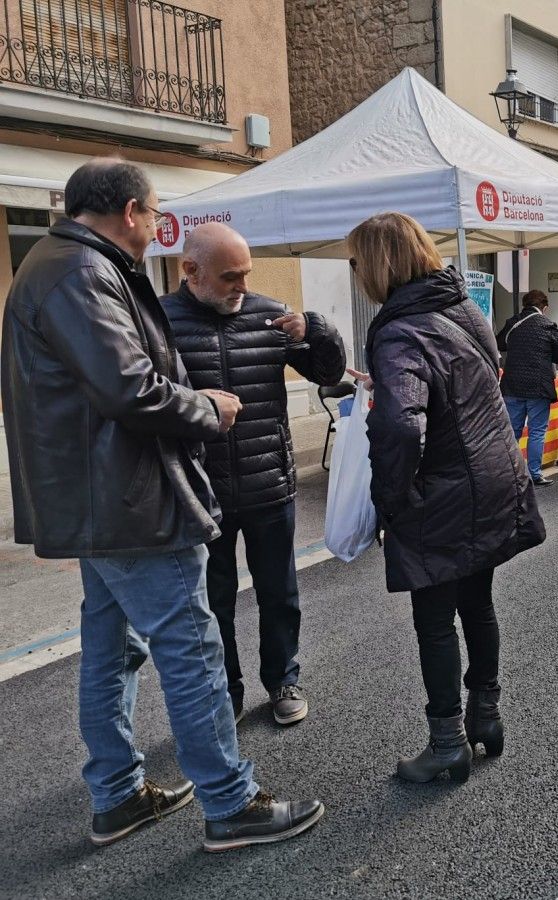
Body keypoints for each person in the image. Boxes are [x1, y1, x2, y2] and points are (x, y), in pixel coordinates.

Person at [0, 158, 322, 851]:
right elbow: (129, 389)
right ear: (129, 212)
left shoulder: (60, 265)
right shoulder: (83, 273)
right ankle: (229, 802)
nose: (155, 228)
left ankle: (117, 795)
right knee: (190, 646)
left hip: (98, 498)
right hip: (126, 498)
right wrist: (205, 406)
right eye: (153, 215)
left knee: (112, 647)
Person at [350, 212, 546, 782]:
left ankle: (446, 744)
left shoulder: (397, 329)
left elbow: (402, 429)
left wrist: (392, 497)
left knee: (434, 620)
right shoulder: (462, 308)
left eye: (358, 260)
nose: (357, 271)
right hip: (493, 473)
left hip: (440, 489)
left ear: (380, 263)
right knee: (477, 603)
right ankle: (486, 715)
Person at [161, 223, 346, 727]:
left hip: (270, 484)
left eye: (246, 274)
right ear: (190, 271)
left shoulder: (271, 315)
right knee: (211, 602)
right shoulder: (159, 320)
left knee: (279, 592)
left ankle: (283, 677)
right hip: (200, 493)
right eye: (230, 277)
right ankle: (226, 689)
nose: (242, 285)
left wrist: (319, 330)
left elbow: (329, 375)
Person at [497, 289, 558, 487]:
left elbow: (499, 342)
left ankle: (509, 473)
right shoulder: (547, 325)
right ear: (544, 308)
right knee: (537, 431)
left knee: (513, 430)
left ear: (525, 305)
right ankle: (535, 474)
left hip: (512, 385)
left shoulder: (513, 322)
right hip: (539, 387)